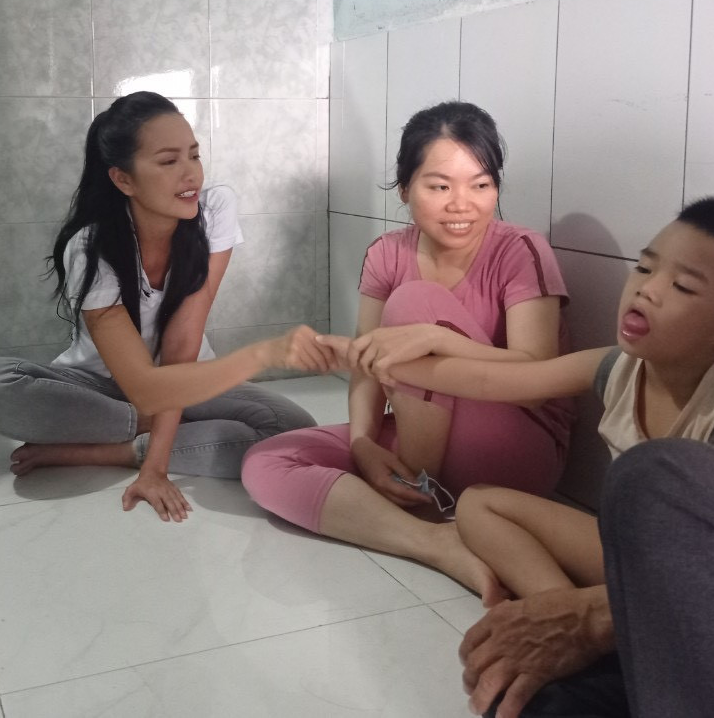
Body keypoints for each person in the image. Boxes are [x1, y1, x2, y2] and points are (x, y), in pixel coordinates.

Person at [460, 39, 714, 718]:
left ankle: (605, 633)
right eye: (645, 268)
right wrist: (409, 348)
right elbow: (508, 380)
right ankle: (584, 625)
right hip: (668, 575)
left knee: (655, 477)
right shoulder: (625, 367)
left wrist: (595, 622)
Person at [327, 197, 714, 607]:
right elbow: (492, 381)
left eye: (683, 286)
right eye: (645, 268)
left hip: (699, 574)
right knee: (477, 506)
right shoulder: (615, 365)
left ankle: (585, 621)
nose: (646, 289)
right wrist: (365, 355)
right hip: (629, 543)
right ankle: (556, 608)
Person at [241, 102, 574, 597]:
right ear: (405, 189)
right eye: (439, 187)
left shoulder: (520, 251)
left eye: (481, 185)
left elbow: (537, 378)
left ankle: (417, 494)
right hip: (427, 435)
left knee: (416, 302)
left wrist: (439, 337)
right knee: (266, 461)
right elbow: (367, 365)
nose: (462, 204)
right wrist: (363, 444)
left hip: (515, 450)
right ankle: (433, 541)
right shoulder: (386, 254)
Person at [0, 92, 329, 522]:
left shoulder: (214, 210)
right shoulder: (91, 247)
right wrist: (263, 354)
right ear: (124, 180)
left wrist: (153, 465)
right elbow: (145, 389)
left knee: (293, 430)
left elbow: (182, 344)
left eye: (194, 155)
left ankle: (110, 451)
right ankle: (168, 432)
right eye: (169, 161)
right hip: (101, 389)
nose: (191, 173)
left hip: (184, 380)